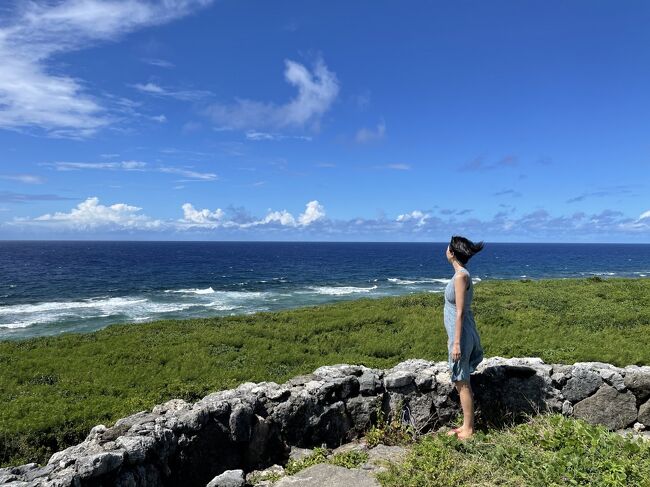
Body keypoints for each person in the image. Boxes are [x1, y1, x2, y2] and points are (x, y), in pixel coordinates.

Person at [443, 235, 485, 440]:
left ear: (452, 252)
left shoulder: (460, 276)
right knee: (462, 380)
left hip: (461, 335)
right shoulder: (462, 274)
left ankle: (468, 429)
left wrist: (456, 342)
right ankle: (465, 425)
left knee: (462, 381)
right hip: (459, 333)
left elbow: (459, 312)